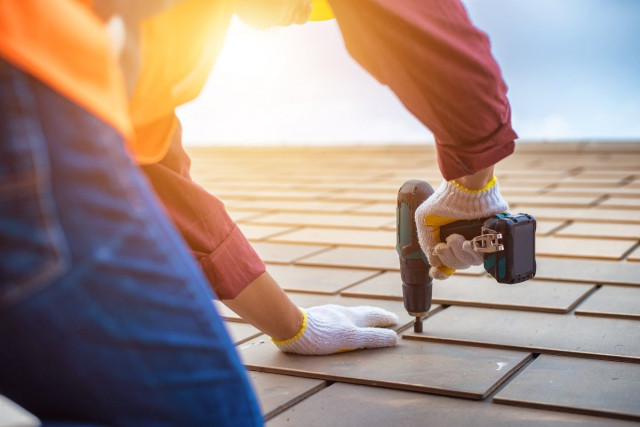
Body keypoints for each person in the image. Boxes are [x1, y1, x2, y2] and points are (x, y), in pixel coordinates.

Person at [0, 0, 514, 424]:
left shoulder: (149, 37)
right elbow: (417, 15)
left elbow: (155, 179)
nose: (294, 16)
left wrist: (293, 326)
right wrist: (475, 183)